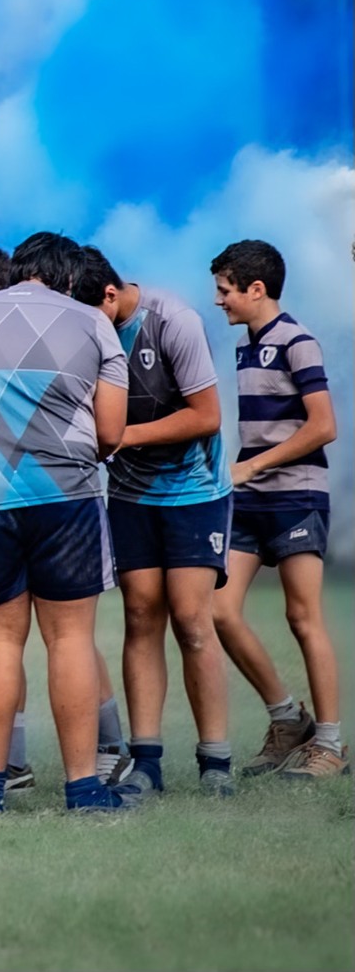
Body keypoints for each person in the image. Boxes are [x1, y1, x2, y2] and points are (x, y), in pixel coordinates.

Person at [0, 232, 127, 813]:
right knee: (69, 639)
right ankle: (83, 789)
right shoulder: (95, 324)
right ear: (70, 278)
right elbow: (112, 434)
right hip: (66, 498)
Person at [71, 247, 231, 796]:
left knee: (191, 620)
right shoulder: (87, 325)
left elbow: (206, 416)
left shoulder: (173, 321)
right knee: (140, 615)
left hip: (194, 490)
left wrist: (119, 438)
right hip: (130, 494)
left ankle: (216, 763)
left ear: (110, 295)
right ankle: (147, 763)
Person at [207, 239, 341, 779]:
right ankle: (288, 718)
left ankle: (330, 745)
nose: (218, 301)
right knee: (218, 610)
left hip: (298, 495)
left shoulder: (298, 342)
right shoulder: (247, 346)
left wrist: (251, 466)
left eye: (224, 290)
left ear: (255, 288)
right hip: (251, 500)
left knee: (302, 617)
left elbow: (323, 427)